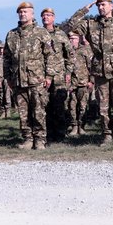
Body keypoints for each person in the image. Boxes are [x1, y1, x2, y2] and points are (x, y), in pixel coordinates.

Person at [69, 0, 113, 147]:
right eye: (99, 5)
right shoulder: (91, 24)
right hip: (100, 70)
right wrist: (85, 9)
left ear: (112, 6)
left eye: (104, 4)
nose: (101, 7)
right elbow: (72, 25)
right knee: (103, 107)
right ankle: (106, 135)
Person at [3, 2, 54, 149]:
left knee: (38, 111)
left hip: (36, 79)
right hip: (18, 80)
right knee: (23, 113)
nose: (22, 14)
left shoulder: (41, 32)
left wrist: (49, 76)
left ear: (32, 14)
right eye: (20, 12)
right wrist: (8, 78)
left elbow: (49, 55)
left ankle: (40, 140)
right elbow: (6, 59)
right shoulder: (11, 34)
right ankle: (27, 139)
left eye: (25, 12)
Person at [41, 8, 73, 142]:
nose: (45, 18)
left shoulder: (61, 34)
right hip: (43, 75)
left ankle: (60, 134)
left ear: (54, 18)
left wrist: (68, 71)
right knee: (44, 105)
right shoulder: (38, 33)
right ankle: (48, 134)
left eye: (48, 15)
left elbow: (70, 54)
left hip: (59, 75)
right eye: (43, 16)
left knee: (59, 105)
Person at [66, 32, 93, 135]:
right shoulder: (67, 51)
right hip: (71, 84)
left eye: (74, 38)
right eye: (70, 38)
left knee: (83, 106)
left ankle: (81, 126)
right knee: (71, 106)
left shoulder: (85, 50)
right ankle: (74, 126)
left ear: (79, 39)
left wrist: (91, 80)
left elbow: (91, 65)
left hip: (83, 82)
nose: (72, 40)